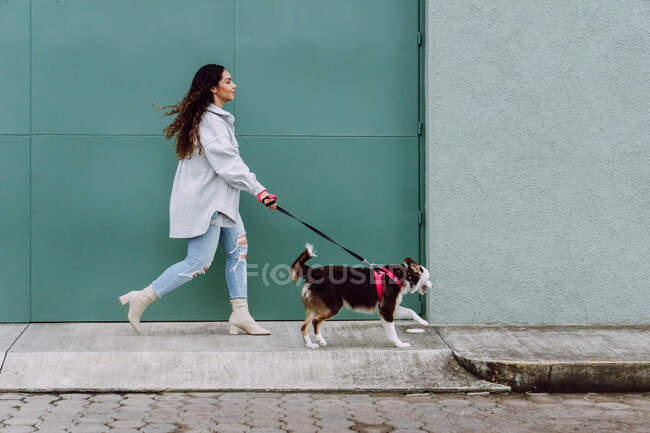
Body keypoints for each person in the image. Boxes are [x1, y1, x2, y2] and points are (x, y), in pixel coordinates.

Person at [118, 64, 278, 336]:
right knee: (197, 263)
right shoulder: (211, 121)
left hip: (224, 203)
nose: (234, 85)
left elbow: (228, 164)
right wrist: (259, 190)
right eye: (229, 81)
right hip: (211, 204)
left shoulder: (215, 118)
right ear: (214, 88)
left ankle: (240, 315)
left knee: (237, 253)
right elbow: (228, 164)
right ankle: (141, 298)